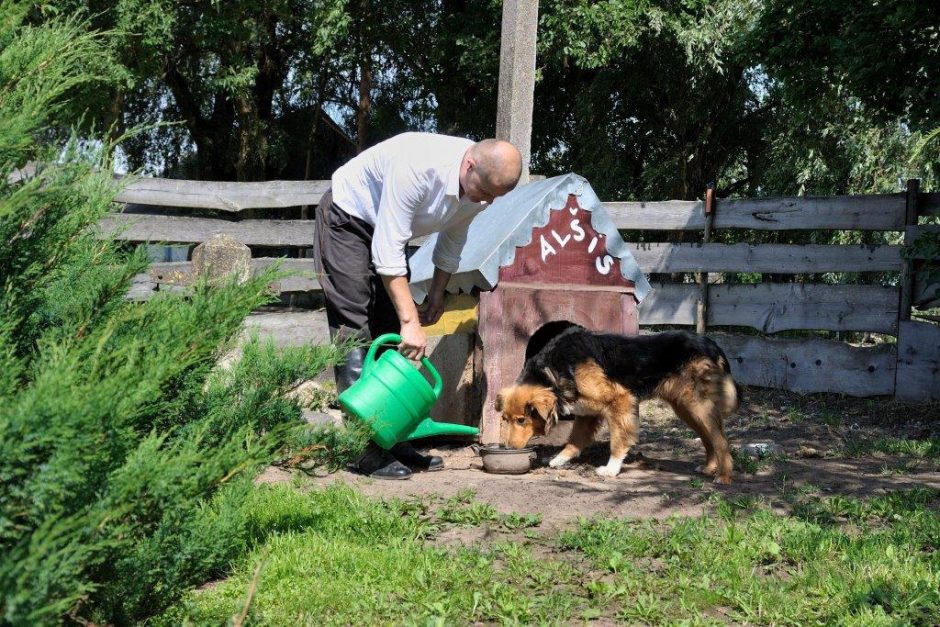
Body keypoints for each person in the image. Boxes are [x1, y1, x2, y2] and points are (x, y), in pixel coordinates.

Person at [313, 132, 523, 479]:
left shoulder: (479, 190)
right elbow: (388, 248)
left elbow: (453, 239)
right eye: (485, 192)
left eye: (494, 197)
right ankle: (364, 446)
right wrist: (411, 320)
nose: (486, 202)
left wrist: (438, 291)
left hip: (386, 232)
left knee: (388, 330)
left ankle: (390, 435)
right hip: (347, 219)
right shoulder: (417, 164)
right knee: (356, 327)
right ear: (469, 164)